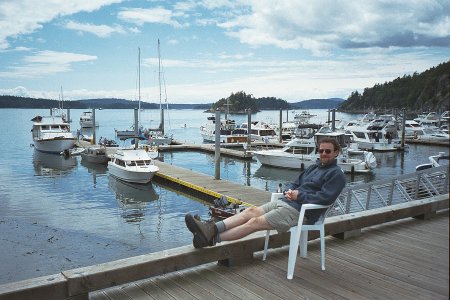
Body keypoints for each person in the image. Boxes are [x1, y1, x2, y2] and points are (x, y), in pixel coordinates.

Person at [184, 138, 347, 248]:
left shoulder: (336, 175)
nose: (323, 154)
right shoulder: (314, 167)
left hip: (302, 212)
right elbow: (295, 182)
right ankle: (210, 229)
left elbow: (325, 198)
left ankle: (211, 238)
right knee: (250, 211)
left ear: (336, 152)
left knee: (254, 222)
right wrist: (288, 190)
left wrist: (300, 196)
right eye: (321, 151)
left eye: (327, 151)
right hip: (288, 202)